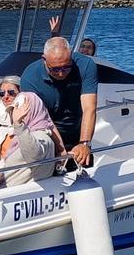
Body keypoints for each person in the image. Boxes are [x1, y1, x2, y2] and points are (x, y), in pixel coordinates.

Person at [19, 37, 99, 168]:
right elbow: (43, 118)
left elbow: (89, 108)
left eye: (67, 67)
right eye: (55, 69)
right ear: (44, 60)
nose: (61, 73)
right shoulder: (30, 77)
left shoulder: (86, 65)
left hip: (78, 132)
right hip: (48, 134)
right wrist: (60, 149)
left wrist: (85, 143)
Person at [0, 90, 60, 186]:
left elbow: (34, 155)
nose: (15, 115)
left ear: (34, 111)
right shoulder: (21, 135)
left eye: (22, 113)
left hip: (16, 195)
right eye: (14, 111)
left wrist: (19, 124)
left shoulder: (42, 136)